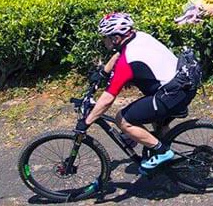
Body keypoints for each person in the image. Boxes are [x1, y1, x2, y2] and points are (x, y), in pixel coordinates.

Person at [75, 12, 197, 173]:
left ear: (116, 38)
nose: (104, 41)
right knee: (154, 121)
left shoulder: (128, 61)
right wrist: (103, 72)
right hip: (183, 84)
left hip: (173, 94)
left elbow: (108, 99)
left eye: (105, 37)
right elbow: (118, 54)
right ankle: (166, 158)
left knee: (123, 120)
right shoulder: (139, 36)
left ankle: (163, 152)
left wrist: (86, 122)